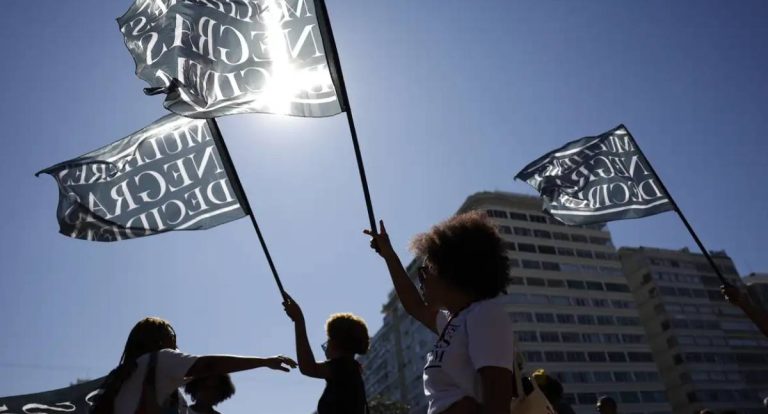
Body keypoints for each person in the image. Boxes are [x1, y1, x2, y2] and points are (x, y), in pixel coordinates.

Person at [365, 212, 517, 414]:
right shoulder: (456, 322)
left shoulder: (485, 314)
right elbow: (415, 306)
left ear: (450, 271)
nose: (421, 281)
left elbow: (497, 400)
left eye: (424, 271)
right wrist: (389, 255)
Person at [91, 317, 296, 414]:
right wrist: (265, 362)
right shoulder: (162, 358)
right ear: (162, 340)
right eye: (173, 335)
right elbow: (209, 365)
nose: (176, 341)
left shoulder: (121, 373)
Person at [282, 292, 369, 414]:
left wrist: (299, 320)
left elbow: (308, 367)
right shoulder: (352, 372)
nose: (326, 346)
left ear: (337, 343)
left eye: (328, 340)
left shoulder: (343, 368)